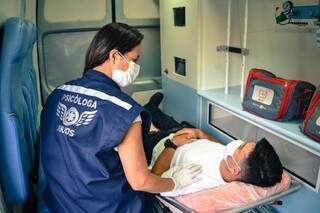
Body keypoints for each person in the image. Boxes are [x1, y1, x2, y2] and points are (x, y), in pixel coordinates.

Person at [40, 23, 202, 213]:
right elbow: (140, 182)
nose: (136, 67)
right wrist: (174, 182)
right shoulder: (124, 110)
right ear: (115, 56)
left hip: (62, 202)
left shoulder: (58, 94)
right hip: (104, 207)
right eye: (135, 59)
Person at [142, 93, 284, 197]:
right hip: (185, 135)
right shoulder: (229, 161)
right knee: (164, 118)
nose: (237, 143)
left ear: (235, 170)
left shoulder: (197, 177)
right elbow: (220, 147)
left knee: (143, 124)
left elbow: (156, 176)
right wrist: (200, 134)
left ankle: (150, 119)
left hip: (160, 146)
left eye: (240, 148)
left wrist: (171, 145)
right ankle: (152, 108)